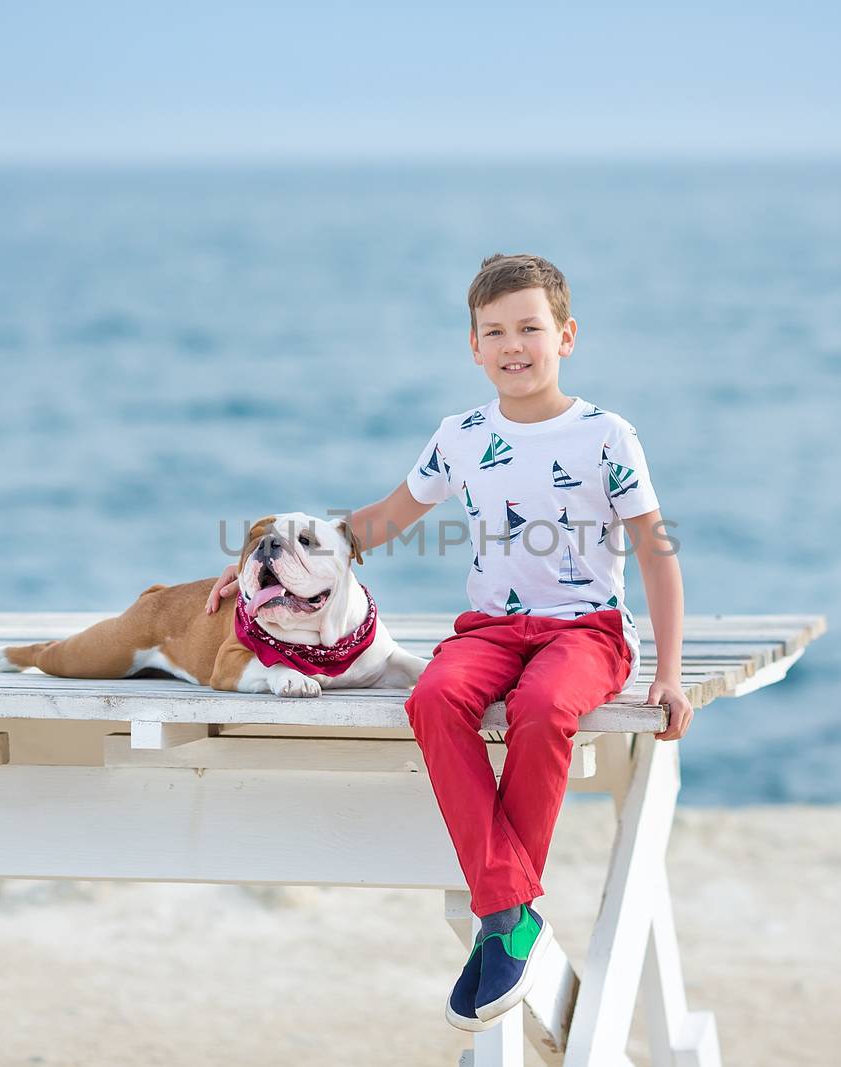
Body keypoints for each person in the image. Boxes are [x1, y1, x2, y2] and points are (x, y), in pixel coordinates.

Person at [206, 253, 692, 1031]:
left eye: (530, 328)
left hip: (588, 633)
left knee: (540, 707)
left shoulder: (607, 434)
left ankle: (502, 917)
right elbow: (375, 524)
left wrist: (668, 673)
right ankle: (515, 910)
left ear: (565, 336)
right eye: (494, 331)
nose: (513, 345)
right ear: (472, 346)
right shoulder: (460, 435)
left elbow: (657, 552)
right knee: (431, 695)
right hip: (489, 631)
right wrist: (260, 567)